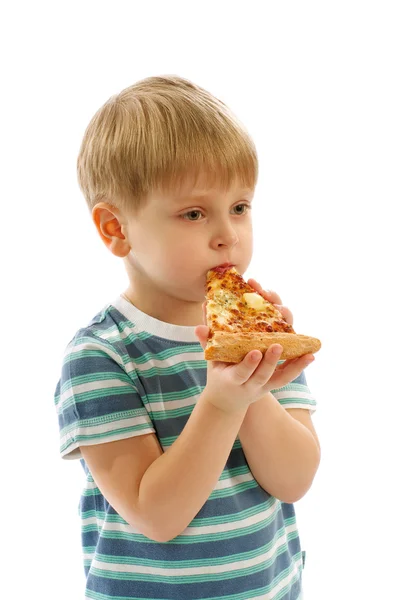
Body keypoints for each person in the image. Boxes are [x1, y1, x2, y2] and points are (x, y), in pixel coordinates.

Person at [54, 75, 321, 600]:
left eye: (240, 207)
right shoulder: (102, 355)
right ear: (116, 229)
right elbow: (158, 516)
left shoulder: (258, 332)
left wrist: (255, 387)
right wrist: (223, 401)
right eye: (194, 213)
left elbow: (293, 481)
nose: (228, 234)